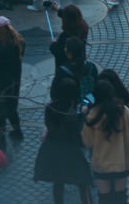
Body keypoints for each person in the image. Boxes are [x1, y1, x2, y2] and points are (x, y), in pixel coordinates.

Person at [35, 75, 94, 204]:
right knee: (83, 182)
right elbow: (77, 130)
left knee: (58, 182)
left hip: (54, 150)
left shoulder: (50, 108)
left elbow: (50, 127)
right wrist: (82, 114)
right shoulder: (73, 113)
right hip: (71, 151)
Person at [79, 80, 129, 204]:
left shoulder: (92, 116)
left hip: (101, 163)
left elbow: (87, 141)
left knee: (104, 196)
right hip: (121, 161)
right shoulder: (124, 111)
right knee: (120, 195)